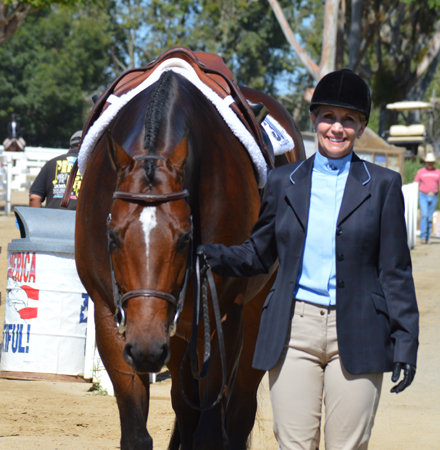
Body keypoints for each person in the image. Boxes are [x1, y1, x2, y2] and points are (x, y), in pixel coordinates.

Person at [198, 69, 419, 450]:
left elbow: (395, 270)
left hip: (361, 329)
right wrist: (206, 253)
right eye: (329, 117)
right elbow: (258, 253)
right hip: (293, 330)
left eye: (348, 119)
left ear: (361, 127)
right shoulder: (284, 181)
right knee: (294, 445)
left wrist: (406, 342)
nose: (337, 127)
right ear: (314, 120)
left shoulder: (383, 186)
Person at [29, 131, 83, 210]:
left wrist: (37, 220)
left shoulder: (51, 163)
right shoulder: (92, 166)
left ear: (70, 148)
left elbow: (34, 197)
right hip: (80, 220)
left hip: (52, 219)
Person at [414, 153, 440, 244]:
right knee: (424, 215)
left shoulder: (438, 172)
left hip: (433, 196)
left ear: (434, 163)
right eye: (428, 162)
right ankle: (423, 236)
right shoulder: (421, 172)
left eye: (431, 162)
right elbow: (416, 183)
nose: (430, 164)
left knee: (429, 217)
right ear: (426, 162)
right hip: (423, 195)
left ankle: (427, 237)